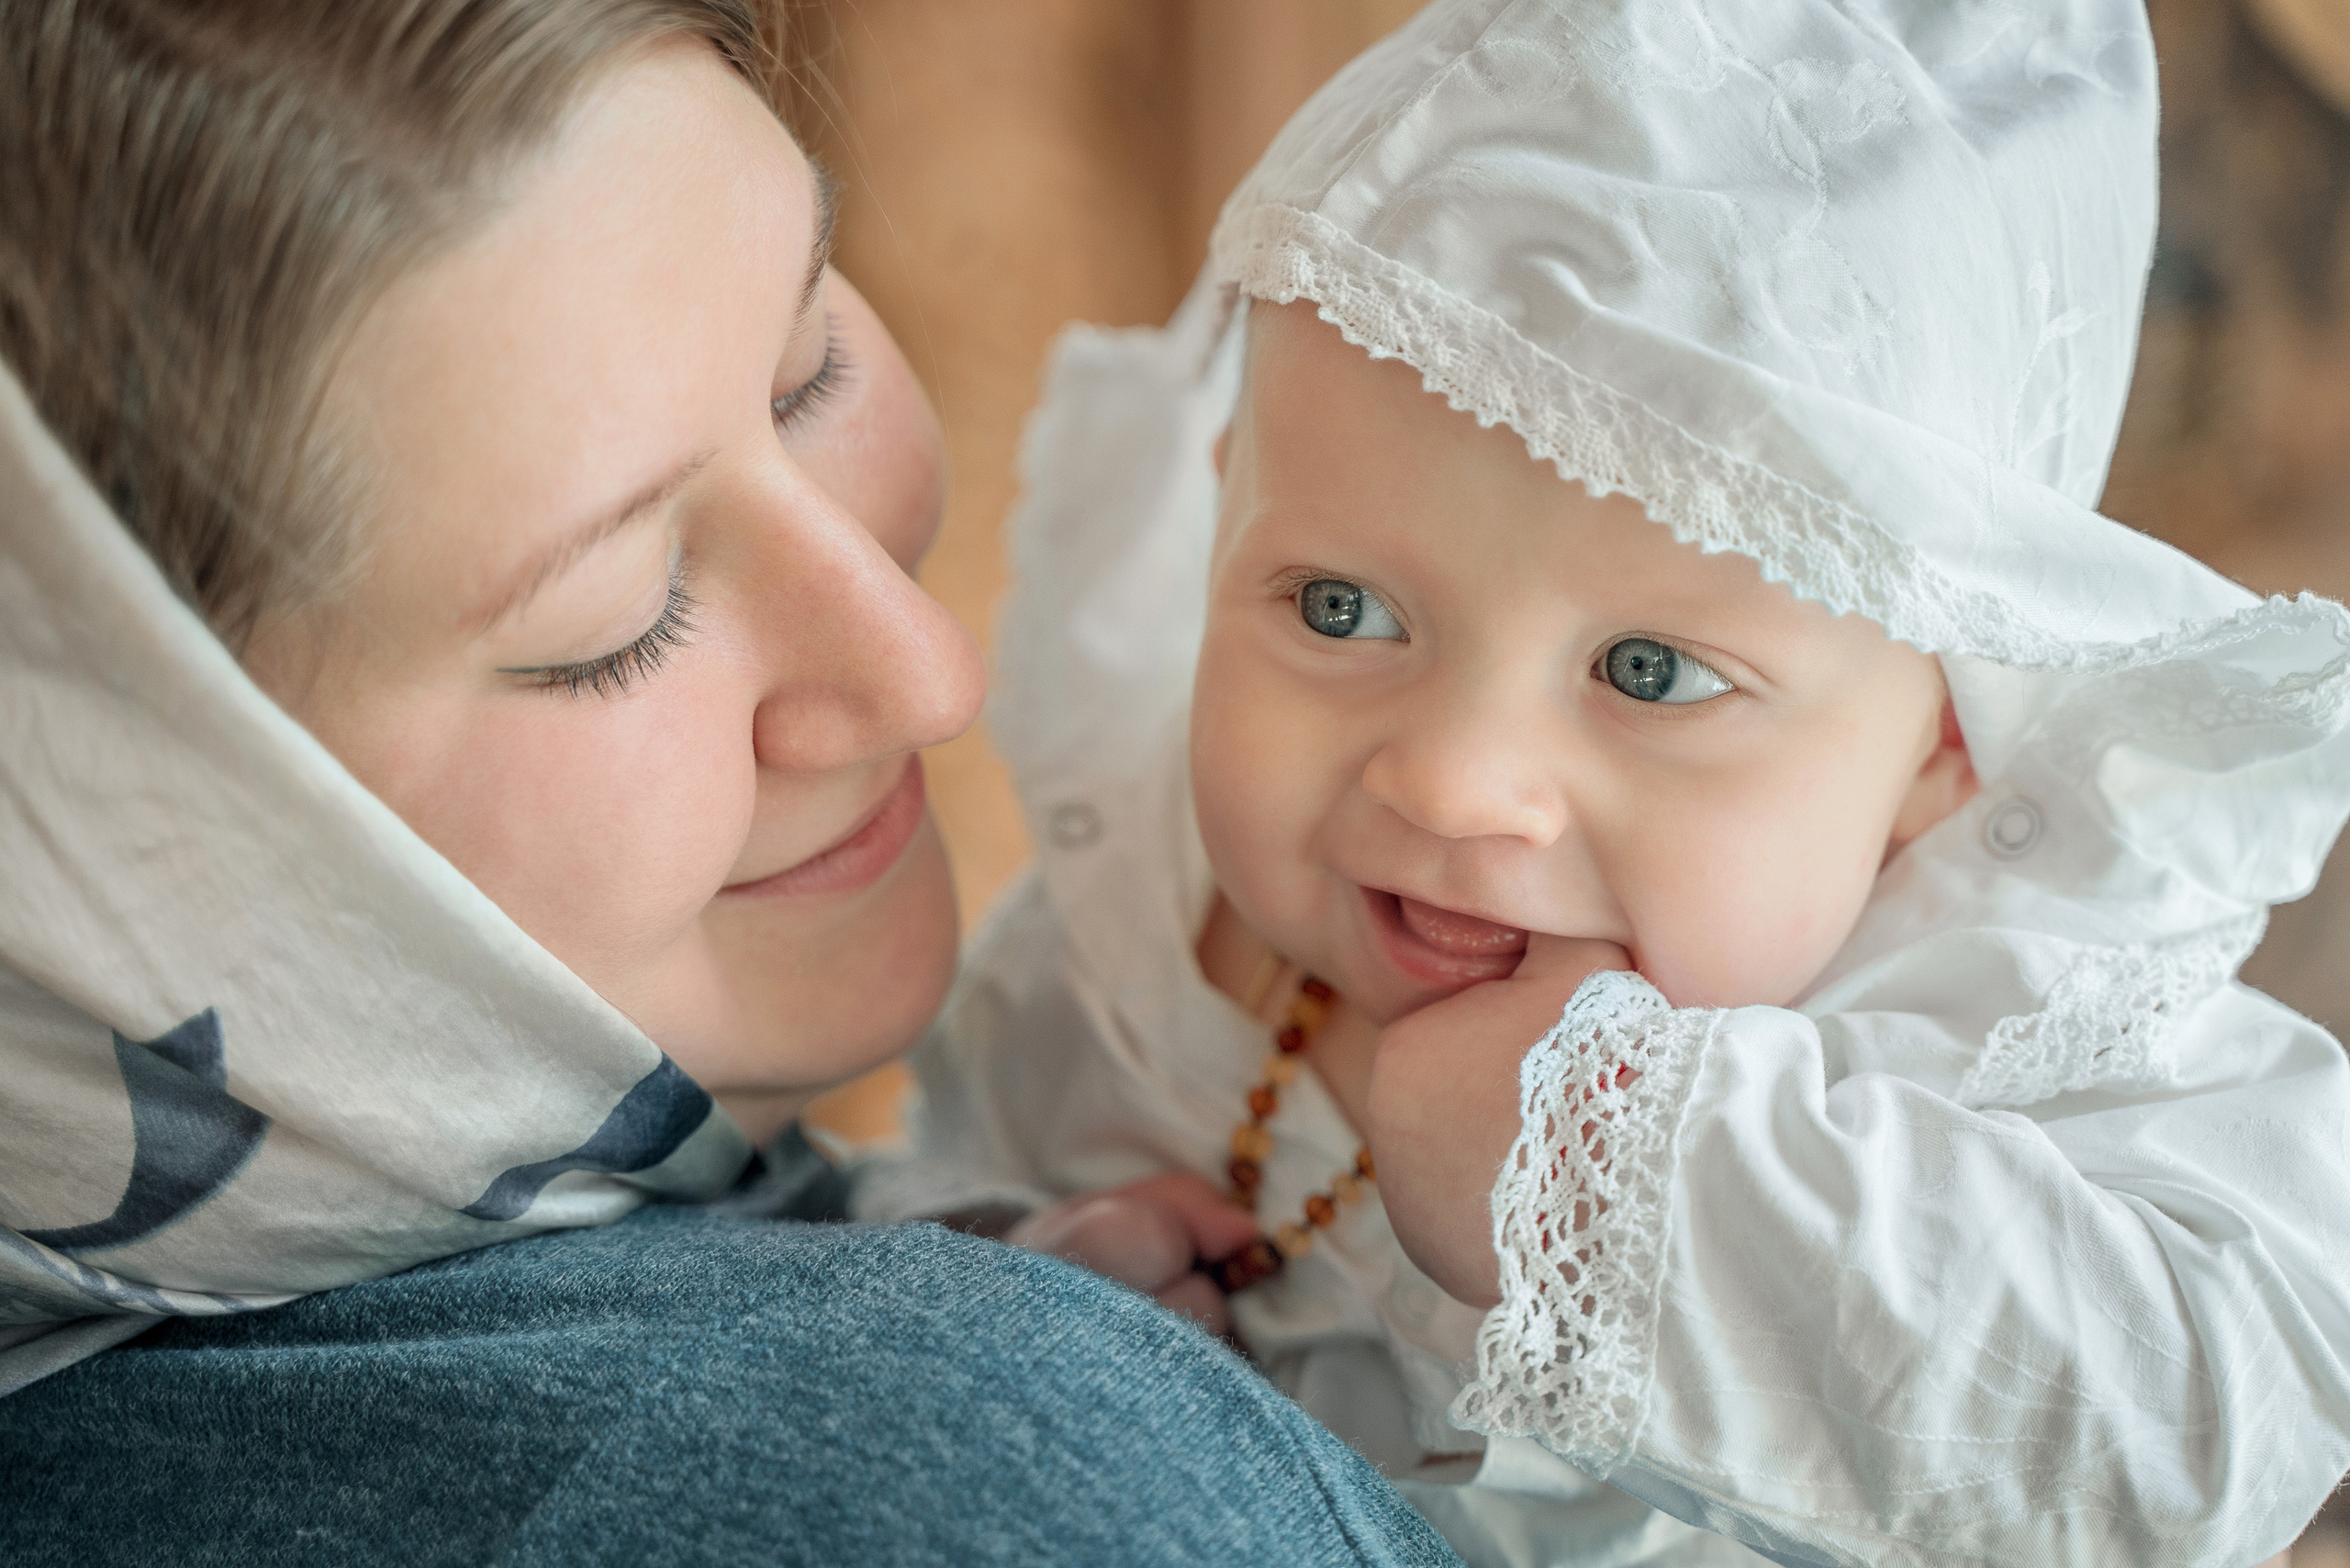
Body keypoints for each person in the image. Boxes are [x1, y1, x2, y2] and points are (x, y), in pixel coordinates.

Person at [858, 0, 2350, 1562]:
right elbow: (901, 1207)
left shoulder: (2006, 1019)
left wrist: (1620, 1176)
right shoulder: (1137, 931)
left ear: (1946, 743)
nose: (1451, 785)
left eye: (1650, 673)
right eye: (1340, 609)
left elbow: (2225, 1429)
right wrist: (1031, 1293)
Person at [0, 4, 1464, 1562]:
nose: (925, 672)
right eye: (610, 627)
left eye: (807, 368)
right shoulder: (977, 1476)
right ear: (106, 843)